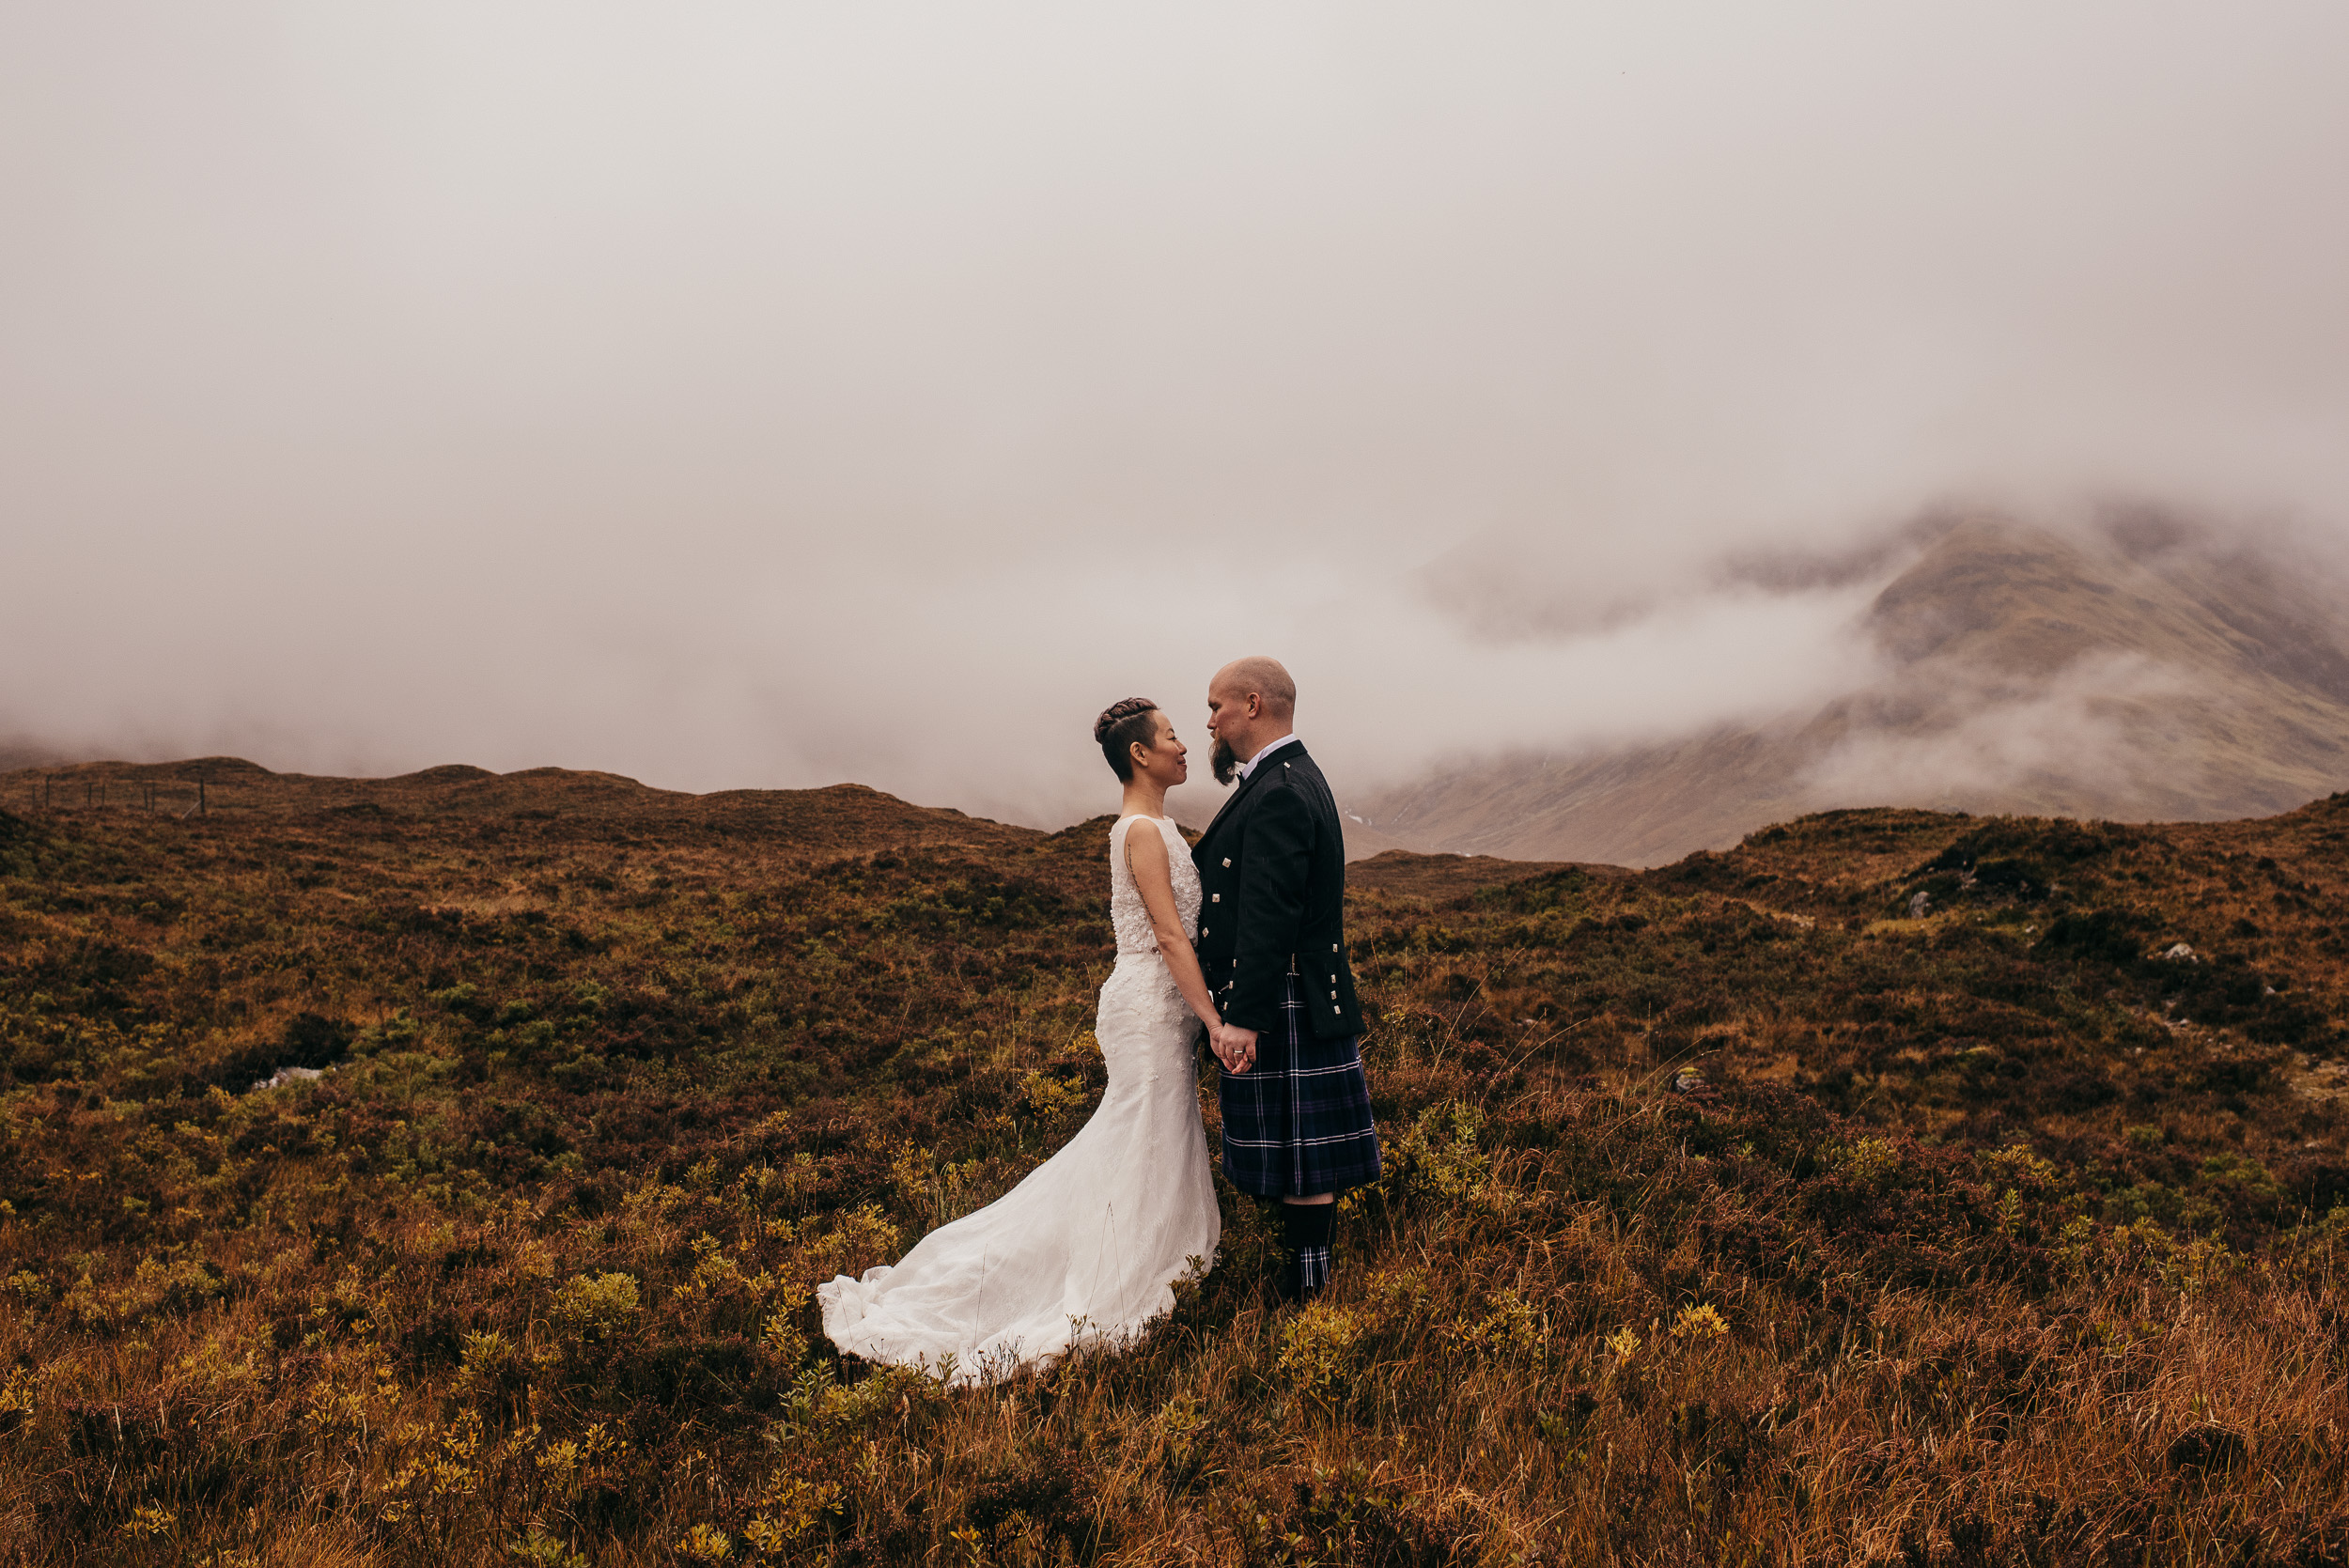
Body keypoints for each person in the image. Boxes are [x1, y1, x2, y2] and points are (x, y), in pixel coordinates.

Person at [817, 699, 1222, 1383]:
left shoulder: (1154, 825)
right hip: (1149, 1008)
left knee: (1141, 1139)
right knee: (1137, 1139)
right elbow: (1169, 934)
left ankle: (1144, 1253)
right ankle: (1110, 1274)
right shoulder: (1144, 833)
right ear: (1139, 755)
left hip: (1154, 1006)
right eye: (1173, 736)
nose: (1185, 745)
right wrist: (1213, 1019)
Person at [1191, 657, 1380, 1302]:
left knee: (1303, 1154)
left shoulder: (1277, 788)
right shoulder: (1293, 775)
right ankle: (1307, 1276)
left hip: (1283, 994)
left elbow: (1270, 912)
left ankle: (1307, 1287)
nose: (1209, 720)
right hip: (1295, 989)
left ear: (1252, 703)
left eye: (1216, 706)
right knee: (1302, 1150)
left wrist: (1244, 1015)